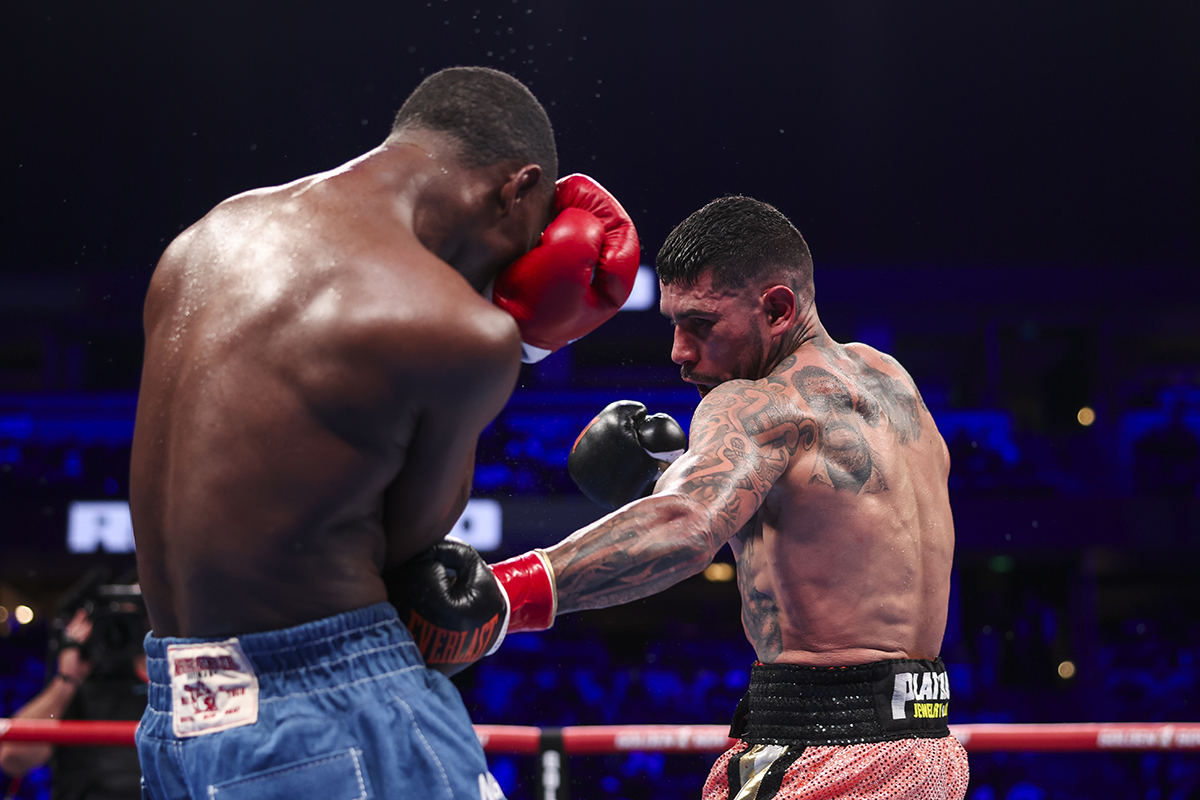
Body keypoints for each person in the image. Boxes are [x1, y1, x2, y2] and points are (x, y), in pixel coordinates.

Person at [128, 66, 639, 798]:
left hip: (180, 713)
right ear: (517, 189)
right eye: (530, 239)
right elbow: (410, 558)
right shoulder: (457, 328)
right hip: (331, 714)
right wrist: (524, 341)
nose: (520, 263)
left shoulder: (204, 242)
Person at [395, 196, 969, 799]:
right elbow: (831, 523)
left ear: (777, 308)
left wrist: (505, 594)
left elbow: (691, 524)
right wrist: (672, 473)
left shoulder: (755, 402)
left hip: (825, 752)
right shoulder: (891, 381)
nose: (678, 351)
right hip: (925, 752)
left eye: (700, 325)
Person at [0, 575, 149, 800]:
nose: (124, 630)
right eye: (116, 618)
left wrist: (155, 665)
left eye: (135, 619)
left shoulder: (171, 680)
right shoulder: (79, 682)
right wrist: (66, 680)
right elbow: (13, 759)